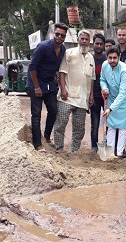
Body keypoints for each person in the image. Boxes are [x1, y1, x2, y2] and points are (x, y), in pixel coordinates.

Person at [27, 22, 68, 151]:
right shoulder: (43, 47)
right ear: (53, 34)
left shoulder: (63, 50)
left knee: (54, 111)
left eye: (62, 35)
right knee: (36, 114)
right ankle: (38, 144)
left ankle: (46, 137)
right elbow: (32, 67)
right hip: (35, 82)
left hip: (49, 83)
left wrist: (56, 79)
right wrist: (37, 87)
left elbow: (58, 67)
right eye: (57, 34)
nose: (59, 37)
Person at [53, 30, 95, 153]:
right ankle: (59, 148)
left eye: (86, 39)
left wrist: (91, 95)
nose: (84, 41)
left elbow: (92, 79)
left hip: (83, 99)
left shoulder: (91, 58)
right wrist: (63, 90)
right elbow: (62, 72)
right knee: (61, 123)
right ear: (78, 40)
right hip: (67, 96)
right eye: (82, 38)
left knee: (79, 128)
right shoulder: (69, 53)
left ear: (89, 41)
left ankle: (74, 151)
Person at [100, 46, 126, 157]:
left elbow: (123, 93)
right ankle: (110, 154)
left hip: (125, 101)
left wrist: (111, 108)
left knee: (122, 128)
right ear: (107, 57)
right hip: (111, 98)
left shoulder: (124, 70)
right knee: (110, 126)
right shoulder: (105, 65)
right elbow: (102, 79)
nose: (112, 61)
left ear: (119, 57)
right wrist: (104, 88)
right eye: (110, 58)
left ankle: (119, 154)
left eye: (114, 58)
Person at [90, 33, 107, 152]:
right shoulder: (89, 59)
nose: (99, 46)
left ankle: (108, 144)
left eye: (101, 44)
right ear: (93, 44)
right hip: (94, 96)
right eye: (97, 43)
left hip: (106, 96)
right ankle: (94, 147)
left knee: (108, 123)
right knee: (94, 123)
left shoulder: (108, 58)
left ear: (104, 45)